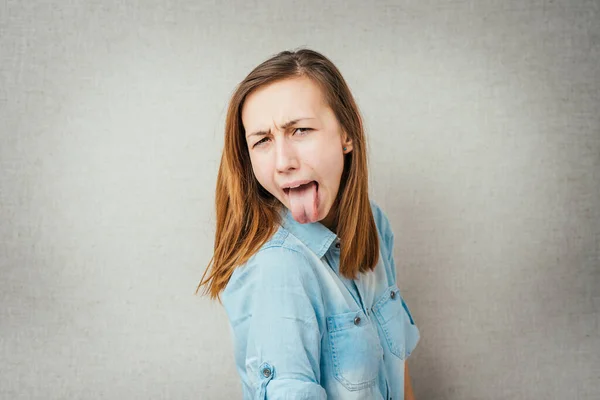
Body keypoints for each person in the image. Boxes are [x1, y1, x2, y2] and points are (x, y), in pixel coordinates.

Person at [196, 48, 420, 399]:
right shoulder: (279, 268)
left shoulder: (374, 223)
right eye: (263, 141)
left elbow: (397, 364)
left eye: (300, 130)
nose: (283, 161)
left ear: (347, 133)